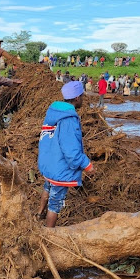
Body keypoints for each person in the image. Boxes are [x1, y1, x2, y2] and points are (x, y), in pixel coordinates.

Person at [35, 81, 94, 227]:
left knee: (47, 187)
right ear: (77, 98)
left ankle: (39, 214)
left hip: (49, 163)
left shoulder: (54, 112)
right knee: (55, 203)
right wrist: (87, 165)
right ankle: (49, 235)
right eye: (82, 96)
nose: (82, 99)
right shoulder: (69, 119)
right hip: (59, 167)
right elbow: (71, 150)